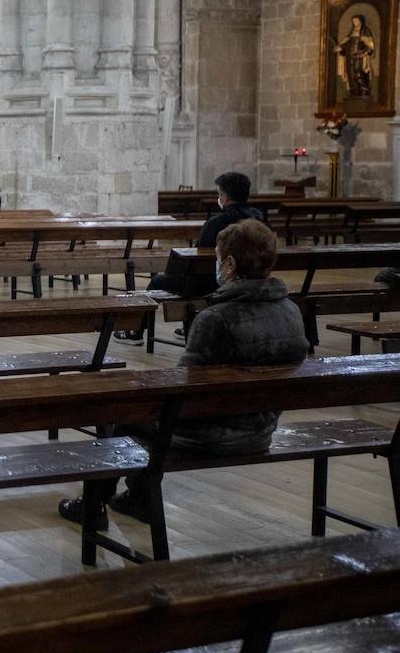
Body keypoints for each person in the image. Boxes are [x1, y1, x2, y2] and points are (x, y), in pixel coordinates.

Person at [59, 220, 308, 529]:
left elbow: (182, 388)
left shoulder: (216, 318)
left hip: (213, 435)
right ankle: (137, 496)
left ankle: (94, 504)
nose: (216, 267)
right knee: (138, 416)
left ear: (229, 264)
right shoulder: (291, 311)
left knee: (123, 413)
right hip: (261, 429)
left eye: (218, 260)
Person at [115, 171, 265, 343]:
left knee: (158, 281)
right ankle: (192, 324)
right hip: (256, 279)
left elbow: (197, 261)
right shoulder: (260, 219)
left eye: (220, 194)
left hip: (213, 284)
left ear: (224, 197)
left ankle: (135, 333)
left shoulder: (217, 223)